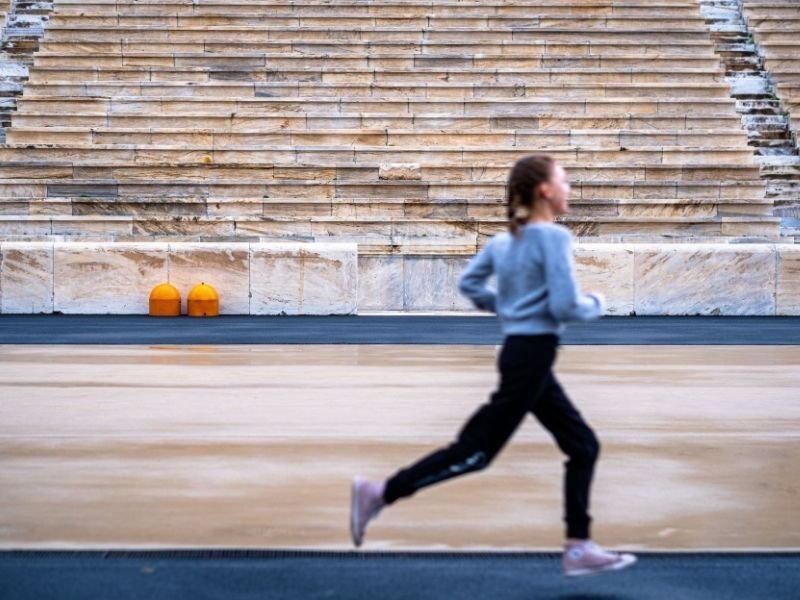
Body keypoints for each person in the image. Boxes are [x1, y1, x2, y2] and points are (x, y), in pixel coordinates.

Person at [350, 154, 637, 577]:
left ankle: (578, 545)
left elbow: (469, 284)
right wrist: (595, 303)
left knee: (583, 446)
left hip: (523, 354)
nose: (570, 189)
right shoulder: (553, 238)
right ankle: (380, 492)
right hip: (532, 357)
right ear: (545, 191)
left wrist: (509, 308)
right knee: (475, 452)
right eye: (564, 181)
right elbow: (564, 305)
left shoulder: (504, 243)